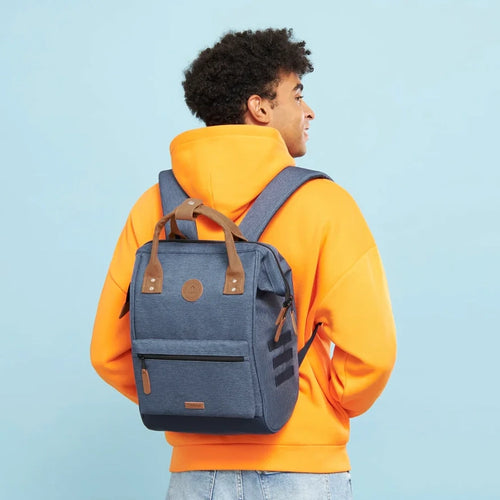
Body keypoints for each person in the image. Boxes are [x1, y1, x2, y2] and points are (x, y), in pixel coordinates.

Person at [91, 28, 396, 499]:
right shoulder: (324, 204)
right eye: (297, 95)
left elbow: (107, 353)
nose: (309, 111)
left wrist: (192, 395)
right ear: (260, 108)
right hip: (301, 468)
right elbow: (371, 354)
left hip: (195, 476)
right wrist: (319, 405)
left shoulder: (154, 207)